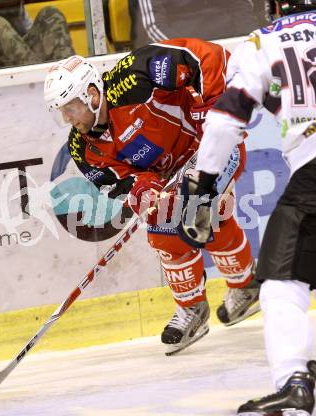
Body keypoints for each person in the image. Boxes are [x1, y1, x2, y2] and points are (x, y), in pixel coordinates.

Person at [43, 40, 260, 356]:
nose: (67, 119)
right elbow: (118, 183)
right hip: (173, 175)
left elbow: (205, 57)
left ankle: (241, 287)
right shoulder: (82, 146)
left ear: (90, 95)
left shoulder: (136, 76)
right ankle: (204, 303)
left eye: (70, 108)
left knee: (200, 212)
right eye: (61, 111)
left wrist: (212, 109)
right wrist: (142, 189)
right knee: (167, 228)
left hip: (212, 149)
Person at [179, 0, 316, 414]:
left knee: (280, 281)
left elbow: (224, 122)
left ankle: (296, 381)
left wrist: (203, 188)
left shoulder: (261, 43)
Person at [0, 5, 75, 70]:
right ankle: (41, 84)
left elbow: (26, 28)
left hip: (16, 60)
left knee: (50, 14)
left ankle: (71, 78)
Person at [128, 0, 261, 50]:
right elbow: (154, 26)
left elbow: (241, 7)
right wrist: (187, 51)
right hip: (184, 51)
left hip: (231, 43)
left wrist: (251, 42)